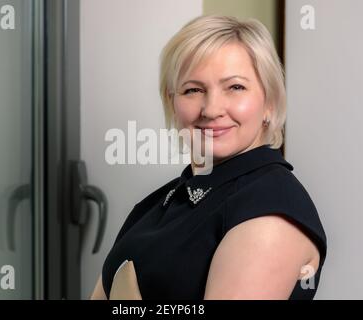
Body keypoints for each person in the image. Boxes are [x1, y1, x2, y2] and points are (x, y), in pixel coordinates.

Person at [90, 14, 327, 300]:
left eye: (235, 87)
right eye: (193, 90)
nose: (212, 109)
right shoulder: (158, 204)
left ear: (270, 102)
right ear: (172, 101)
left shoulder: (272, 207)